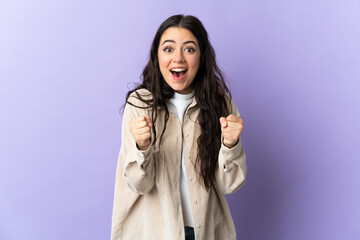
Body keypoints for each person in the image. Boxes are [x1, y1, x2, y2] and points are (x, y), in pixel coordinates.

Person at [111, 14, 246, 240]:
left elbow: (229, 185)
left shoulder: (220, 104)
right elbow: (138, 184)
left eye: (189, 49)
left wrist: (230, 145)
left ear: (201, 58)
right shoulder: (140, 104)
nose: (178, 58)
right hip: (152, 233)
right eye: (168, 49)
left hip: (204, 232)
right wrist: (142, 147)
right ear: (157, 55)